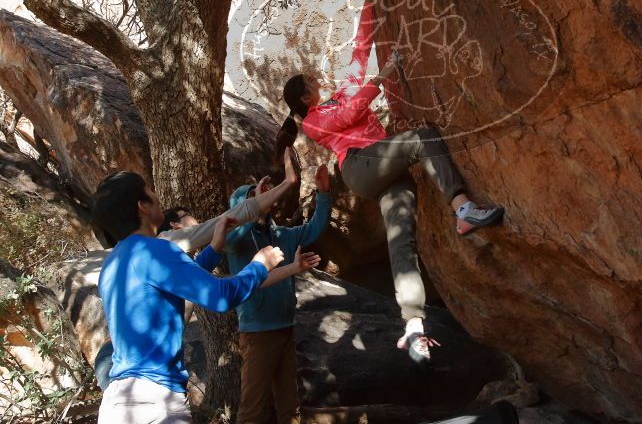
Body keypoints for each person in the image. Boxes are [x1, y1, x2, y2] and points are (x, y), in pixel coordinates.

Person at [280, 53, 504, 363]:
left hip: (388, 173)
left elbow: (359, 50)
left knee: (402, 243)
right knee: (423, 138)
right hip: (360, 166)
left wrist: (374, 4)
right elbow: (353, 112)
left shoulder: (341, 94)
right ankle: (462, 208)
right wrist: (385, 71)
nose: (320, 78)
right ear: (307, 97)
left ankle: (413, 325)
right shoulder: (314, 121)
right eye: (313, 81)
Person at [91, 165, 296, 424]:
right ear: (142, 206)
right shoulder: (156, 250)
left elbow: (173, 284)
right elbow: (220, 297)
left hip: (117, 404)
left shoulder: (113, 261)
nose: (156, 196)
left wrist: (213, 249)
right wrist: (258, 265)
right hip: (154, 402)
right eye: (149, 191)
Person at [227, 164, 332, 424]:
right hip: (257, 333)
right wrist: (254, 208)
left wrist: (324, 193)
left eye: (264, 195)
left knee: (290, 407)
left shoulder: (280, 235)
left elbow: (315, 227)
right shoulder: (235, 241)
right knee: (252, 409)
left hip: (286, 327)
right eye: (254, 197)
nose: (264, 199)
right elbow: (234, 229)